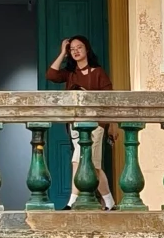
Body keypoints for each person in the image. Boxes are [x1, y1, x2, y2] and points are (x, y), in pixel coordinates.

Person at [47, 35, 116, 208]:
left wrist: (113, 124)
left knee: (78, 161)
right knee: (93, 166)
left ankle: (71, 202)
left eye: (79, 47)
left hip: (96, 125)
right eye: (72, 49)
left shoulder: (98, 72)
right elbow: (51, 74)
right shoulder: (71, 74)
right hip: (75, 125)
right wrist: (62, 53)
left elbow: (110, 100)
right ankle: (109, 202)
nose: (75, 51)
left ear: (87, 49)